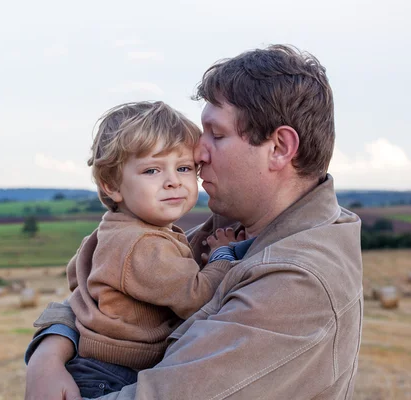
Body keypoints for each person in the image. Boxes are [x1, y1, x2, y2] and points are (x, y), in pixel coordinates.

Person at [25, 44, 363, 400]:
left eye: (216, 135)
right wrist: (50, 350)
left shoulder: (298, 282)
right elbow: (104, 293)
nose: (198, 153)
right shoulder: (235, 226)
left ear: (279, 147)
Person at [46, 101, 243, 398]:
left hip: (96, 367)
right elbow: (197, 297)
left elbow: (77, 274)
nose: (173, 181)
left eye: (184, 167)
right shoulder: (143, 244)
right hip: (113, 375)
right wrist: (222, 255)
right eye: (152, 170)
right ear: (112, 185)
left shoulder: (111, 231)